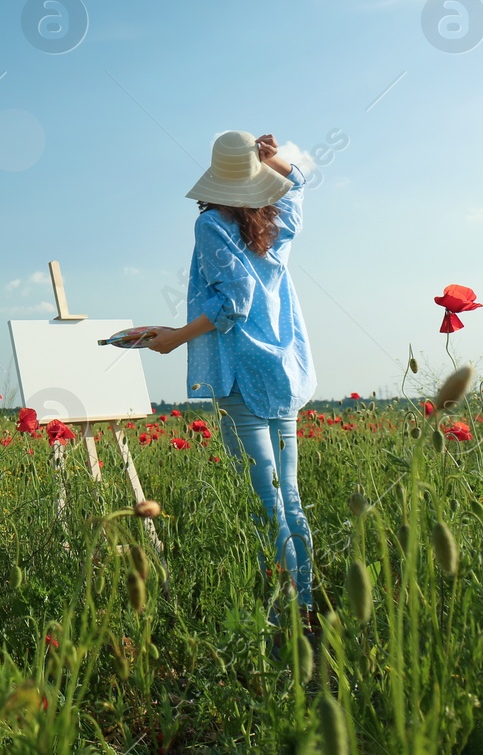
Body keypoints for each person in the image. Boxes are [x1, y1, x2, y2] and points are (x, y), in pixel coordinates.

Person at [145, 130, 316, 610]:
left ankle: (286, 619)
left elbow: (233, 303)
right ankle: (305, 606)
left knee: (268, 504)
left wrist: (176, 338)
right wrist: (273, 160)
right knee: (291, 500)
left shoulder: (212, 226)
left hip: (242, 371)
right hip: (283, 368)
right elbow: (299, 183)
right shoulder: (277, 218)